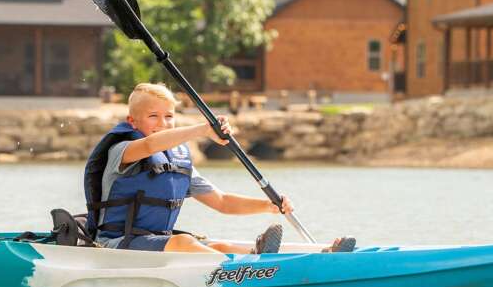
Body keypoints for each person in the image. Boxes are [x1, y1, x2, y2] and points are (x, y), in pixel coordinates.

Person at [84, 83, 355, 254]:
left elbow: (223, 202)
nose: (163, 123)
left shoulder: (176, 161)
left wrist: (268, 206)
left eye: (169, 116)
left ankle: (323, 253)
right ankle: (251, 268)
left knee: (218, 245)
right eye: (153, 116)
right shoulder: (123, 150)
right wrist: (203, 129)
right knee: (185, 243)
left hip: (154, 244)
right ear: (132, 121)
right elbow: (151, 144)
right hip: (115, 246)